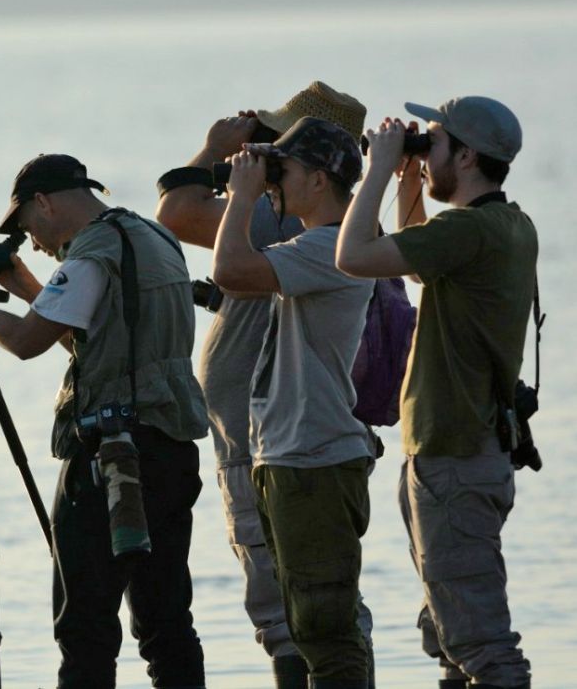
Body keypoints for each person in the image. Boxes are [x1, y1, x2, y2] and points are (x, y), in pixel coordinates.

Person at [0, 153, 208, 689]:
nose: (31, 240)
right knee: (166, 620)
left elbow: (22, 343)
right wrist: (26, 287)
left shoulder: (88, 257)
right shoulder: (151, 238)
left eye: (26, 226)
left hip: (110, 457)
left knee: (85, 627)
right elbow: (97, 339)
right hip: (169, 449)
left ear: (44, 201)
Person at [156, 81, 376, 689]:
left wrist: (212, 153)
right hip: (263, 435)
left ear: (316, 164)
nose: (263, 146)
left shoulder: (279, 216)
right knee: (295, 608)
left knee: (305, 612)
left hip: (281, 440)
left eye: (278, 140)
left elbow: (175, 214)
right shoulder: (297, 214)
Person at [336, 96, 536, 689]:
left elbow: (352, 257)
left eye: (435, 143)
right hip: (461, 454)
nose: (426, 154)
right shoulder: (506, 225)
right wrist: (409, 178)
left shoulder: (469, 231)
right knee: (449, 636)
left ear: (468, 155)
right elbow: (419, 264)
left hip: (454, 458)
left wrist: (376, 170)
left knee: (481, 645)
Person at [212, 116, 375, 689]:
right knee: (309, 629)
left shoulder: (330, 248)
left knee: (325, 631)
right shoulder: (315, 246)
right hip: (292, 458)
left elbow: (231, 270)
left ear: (320, 180)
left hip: (314, 459)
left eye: (286, 171)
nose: (275, 182)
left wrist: (242, 195)